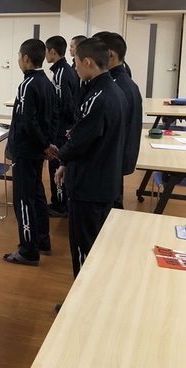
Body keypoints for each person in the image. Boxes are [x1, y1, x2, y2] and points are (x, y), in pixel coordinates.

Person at [54, 37, 127, 279]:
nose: (74, 68)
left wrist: (60, 156)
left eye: (75, 62)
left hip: (89, 185)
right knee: (97, 245)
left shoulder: (100, 96)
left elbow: (79, 141)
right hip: (104, 181)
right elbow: (86, 132)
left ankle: (82, 295)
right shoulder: (115, 91)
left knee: (83, 246)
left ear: (87, 62)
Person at [3, 39, 57, 266]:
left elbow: (27, 121)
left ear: (26, 58)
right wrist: (48, 143)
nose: (18, 60)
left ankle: (28, 250)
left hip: (27, 151)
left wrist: (44, 145)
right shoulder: (47, 83)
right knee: (37, 195)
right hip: (38, 150)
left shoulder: (28, 85)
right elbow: (54, 117)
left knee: (23, 200)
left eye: (18, 56)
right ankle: (42, 241)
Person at [95, 31, 143, 209]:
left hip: (111, 159)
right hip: (117, 157)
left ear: (111, 55)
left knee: (109, 206)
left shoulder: (114, 86)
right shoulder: (125, 82)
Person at [45, 36, 78, 218]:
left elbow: (62, 105)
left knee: (56, 167)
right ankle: (62, 202)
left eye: (46, 51)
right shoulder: (68, 70)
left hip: (61, 130)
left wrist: (55, 131)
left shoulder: (61, 74)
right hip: (67, 127)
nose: (45, 55)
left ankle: (59, 205)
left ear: (52, 52)